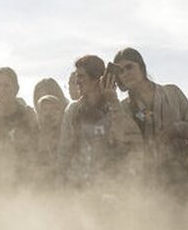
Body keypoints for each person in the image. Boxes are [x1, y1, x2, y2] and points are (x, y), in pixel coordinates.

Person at [112, 48, 188, 193]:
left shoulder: (173, 93)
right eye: (120, 71)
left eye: (129, 67)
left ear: (142, 67)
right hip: (145, 183)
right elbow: (120, 145)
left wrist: (174, 129)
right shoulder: (123, 108)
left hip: (179, 177)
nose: (125, 74)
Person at [56, 55, 142, 189]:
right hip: (78, 185)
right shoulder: (73, 110)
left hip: (109, 186)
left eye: (81, 76)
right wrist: (61, 183)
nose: (77, 82)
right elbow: (64, 151)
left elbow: (131, 144)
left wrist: (113, 101)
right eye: (77, 76)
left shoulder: (117, 109)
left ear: (96, 79)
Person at [0, 68, 39, 191]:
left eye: (6, 85)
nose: (2, 90)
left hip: (22, 181)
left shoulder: (26, 115)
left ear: (15, 88)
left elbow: (35, 149)